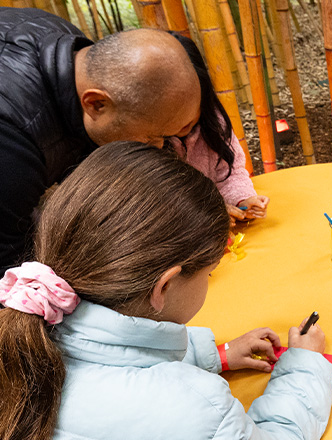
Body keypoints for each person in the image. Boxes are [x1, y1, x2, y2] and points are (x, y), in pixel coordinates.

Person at [0, 142, 332, 440]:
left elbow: (103, 354)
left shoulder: (25, 326)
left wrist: (219, 353)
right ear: (164, 286)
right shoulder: (196, 413)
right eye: (208, 273)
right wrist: (305, 366)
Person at [0, 8, 201, 274]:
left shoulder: (71, 49)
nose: (159, 146)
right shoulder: (12, 146)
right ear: (96, 103)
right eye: (154, 136)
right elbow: (10, 272)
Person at [168, 33, 269, 226]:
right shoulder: (143, 140)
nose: (183, 116)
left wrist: (243, 200)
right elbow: (159, 204)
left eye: (191, 101)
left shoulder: (214, 121)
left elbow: (230, 173)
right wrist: (209, 212)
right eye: (171, 105)